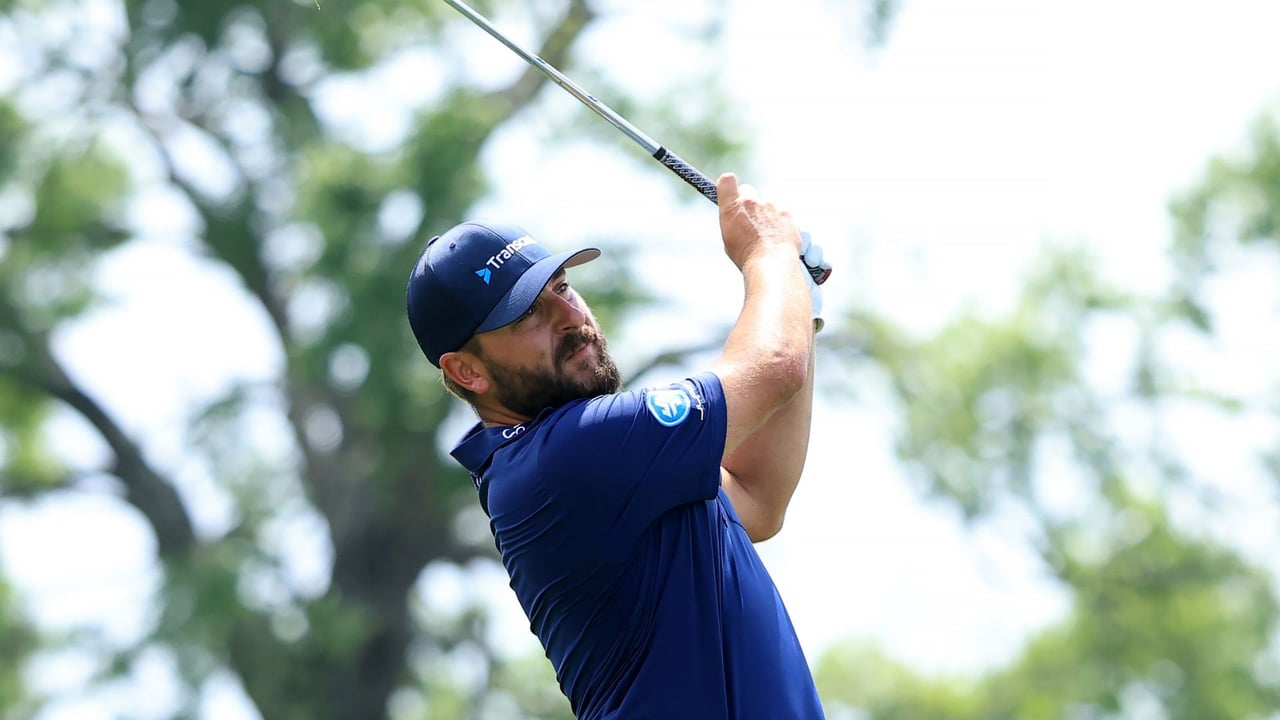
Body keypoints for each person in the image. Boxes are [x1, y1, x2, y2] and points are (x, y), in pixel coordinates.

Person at [406, 173, 829, 719]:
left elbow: (756, 497)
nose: (571, 317)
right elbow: (771, 369)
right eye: (527, 313)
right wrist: (769, 253)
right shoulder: (565, 457)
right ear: (467, 371)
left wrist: (798, 295)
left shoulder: (613, 469)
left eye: (560, 287)